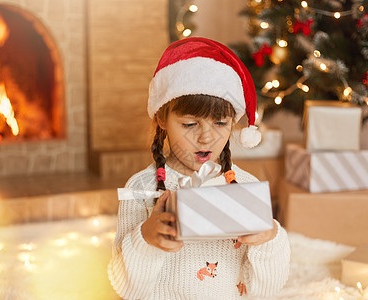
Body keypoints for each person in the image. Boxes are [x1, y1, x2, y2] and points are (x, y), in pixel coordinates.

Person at [108, 37, 290, 300]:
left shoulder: (245, 186)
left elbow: (265, 291)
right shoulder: (141, 189)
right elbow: (127, 289)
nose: (207, 138)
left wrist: (269, 238)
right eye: (190, 124)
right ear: (162, 118)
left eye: (220, 123)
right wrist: (145, 239)